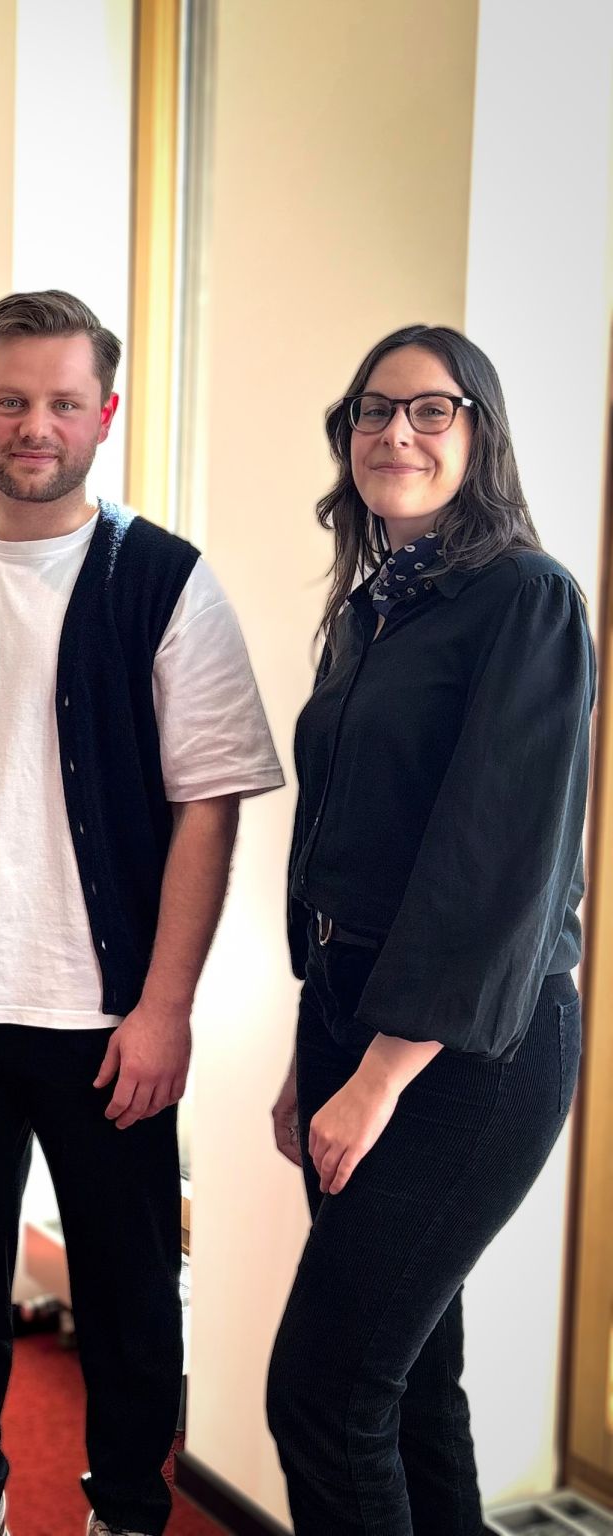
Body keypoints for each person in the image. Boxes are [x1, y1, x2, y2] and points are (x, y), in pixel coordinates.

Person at [0, 290, 284, 1536]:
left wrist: (165, 1009)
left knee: (134, 1296)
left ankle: (130, 1512)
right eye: (13, 400)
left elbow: (210, 806)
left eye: (63, 402)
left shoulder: (167, 584)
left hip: (104, 1021)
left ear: (107, 413)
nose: (36, 425)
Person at [266, 325, 594, 1533]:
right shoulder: (376, 610)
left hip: (469, 1051)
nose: (395, 433)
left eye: (430, 410)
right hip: (353, 1014)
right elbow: (339, 838)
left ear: (479, 434)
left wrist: (381, 1076)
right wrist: (318, 1051)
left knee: (324, 1394)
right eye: (371, 411)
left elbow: (491, 870)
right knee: (406, 1395)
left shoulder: (528, 603)